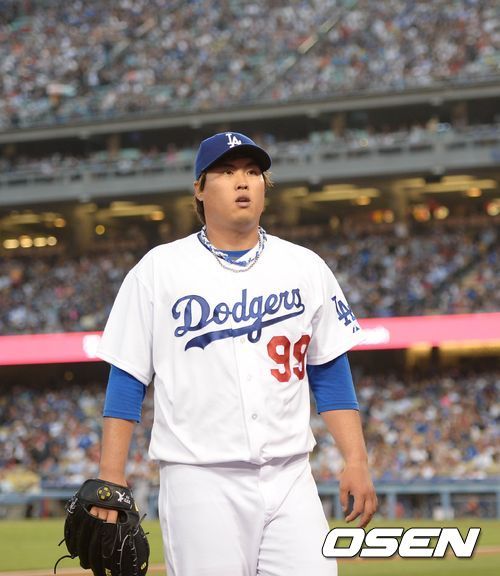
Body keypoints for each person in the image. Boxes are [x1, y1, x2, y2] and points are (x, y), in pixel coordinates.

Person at [93, 132, 377, 576]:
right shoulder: (158, 270)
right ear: (199, 190)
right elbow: (128, 377)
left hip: (291, 477)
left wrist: (356, 459)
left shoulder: (305, 266)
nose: (242, 181)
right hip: (200, 480)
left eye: (252, 172)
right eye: (226, 172)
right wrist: (112, 473)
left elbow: (329, 371)